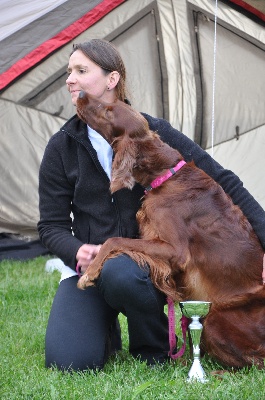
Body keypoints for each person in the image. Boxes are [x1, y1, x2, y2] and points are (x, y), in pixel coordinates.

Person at [38, 39, 265, 372]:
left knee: (123, 271)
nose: (70, 79)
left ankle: (152, 349)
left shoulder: (154, 132)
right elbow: (50, 226)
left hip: (145, 271)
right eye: (68, 72)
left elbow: (225, 182)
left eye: (81, 71)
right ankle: (106, 328)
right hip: (90, 269)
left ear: (111, 79)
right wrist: (76, 250)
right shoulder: (62, 146)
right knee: (69, 361)